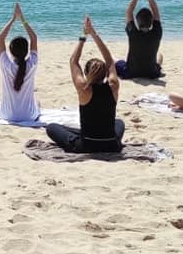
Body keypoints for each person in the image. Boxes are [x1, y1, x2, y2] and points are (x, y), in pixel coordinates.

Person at [46, 17, 125, 153]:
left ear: (86, 73)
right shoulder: (113, 85)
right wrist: (93, 33)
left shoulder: (84, 89)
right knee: (119, 123)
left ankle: (79, 134)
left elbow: (73, 61)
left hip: (86, 145)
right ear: (105, 73)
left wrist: (83, 36)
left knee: (51, 127)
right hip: (111, 144)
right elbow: (110, 60)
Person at [0, 2, 40, 122]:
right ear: (26, 51)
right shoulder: (32, 63)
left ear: (11, 51)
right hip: (30, 116)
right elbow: (34, 38)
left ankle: (0, 106)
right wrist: (22, 19)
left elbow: (0, 38)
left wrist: (13, 19)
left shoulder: (6, 64)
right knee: (37, 102)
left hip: (8, 115)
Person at [116, 0, 164, 80]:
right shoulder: (157, 33)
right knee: (160, 56)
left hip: (131, 72)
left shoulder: (133, 33)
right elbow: (156, 11)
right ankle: (158, 68)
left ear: (137, 22)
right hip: (151, 72)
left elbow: (129, 11)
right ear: (152, 21)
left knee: (116, 61)